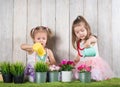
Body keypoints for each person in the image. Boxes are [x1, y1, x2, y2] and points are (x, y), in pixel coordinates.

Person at [72, 15, 114, 81]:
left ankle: (96, 75)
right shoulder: (79, 43)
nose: (80, 33)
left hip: (94, 63)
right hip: (84, 63)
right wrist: (77, 58)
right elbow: (80, 53)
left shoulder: (91, 37)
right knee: (77, 75)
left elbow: (94, 40)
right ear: (75, 34)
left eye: (82, 30)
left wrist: (88, 41)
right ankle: (86, 76)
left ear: (87, 28)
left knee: (95, 74)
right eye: (77, 32)